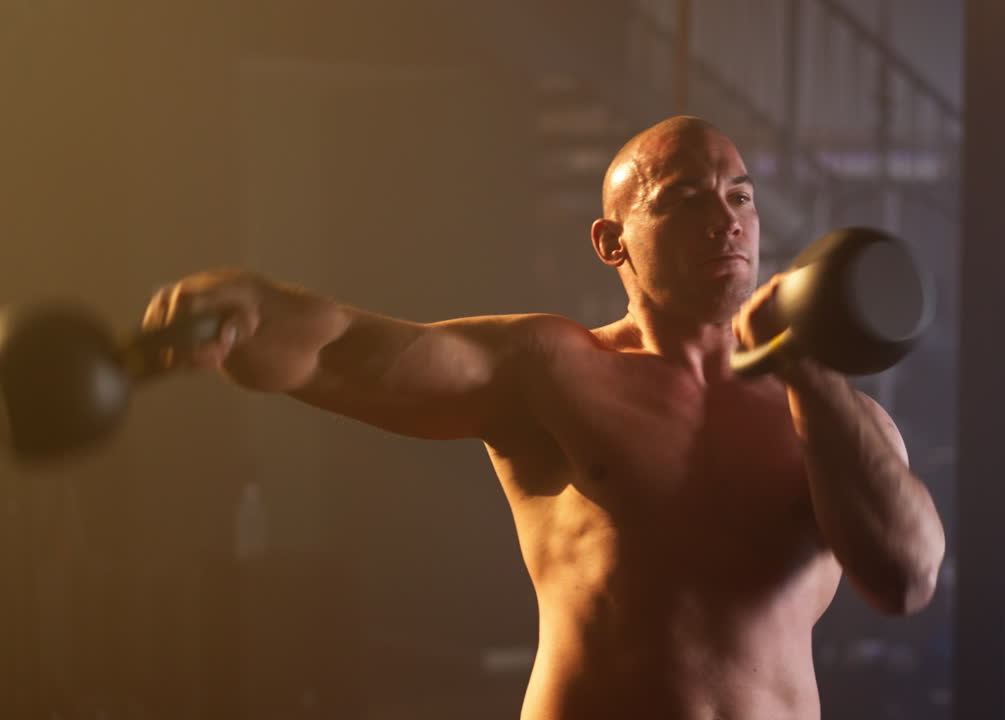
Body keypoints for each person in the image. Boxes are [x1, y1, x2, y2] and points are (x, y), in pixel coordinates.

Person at [142, 116, 945, 720]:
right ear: (611, 242)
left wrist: (803, 368)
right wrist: (255, 309)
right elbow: (347, 351)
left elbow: (906, 577)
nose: (725, 219)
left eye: (740, 196)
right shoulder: (553, 367)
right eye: (683, 199)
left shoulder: (835, 415)